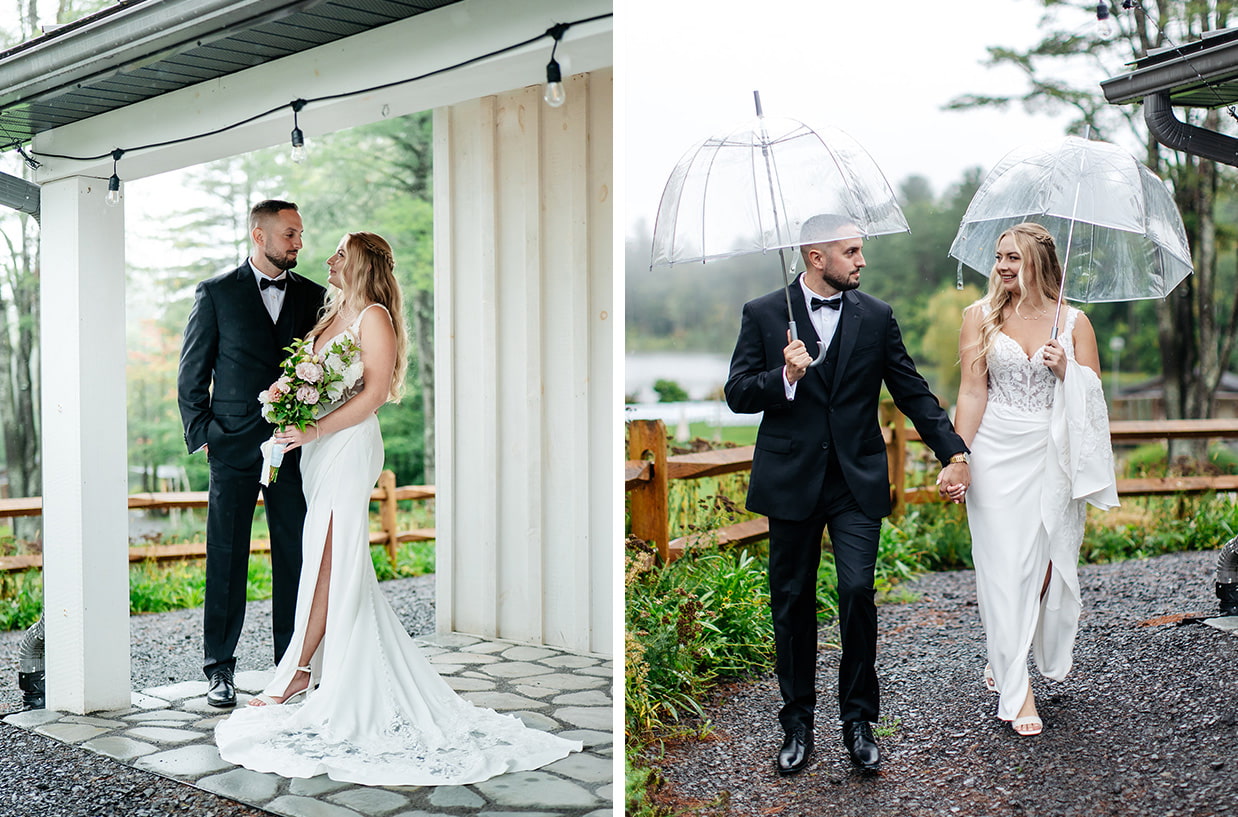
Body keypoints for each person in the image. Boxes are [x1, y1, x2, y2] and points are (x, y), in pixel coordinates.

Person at [214, 232, 581, 785]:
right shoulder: (329, 317)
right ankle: (321, 666)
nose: (328, 260)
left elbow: (376, 393)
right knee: (326, 555)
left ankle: (298, 670)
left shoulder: (374, 317)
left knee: (329, 557)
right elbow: (315, 382)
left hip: (347, 444)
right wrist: (284, 400)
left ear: (361, 261)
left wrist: (313, 426)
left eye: (339, 252)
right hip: (316, 449)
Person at [725, 214, 971, 775]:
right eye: (852, 251)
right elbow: (738, 393)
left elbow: (912, 390)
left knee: (858, 591)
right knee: (792, 601)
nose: (862, 261)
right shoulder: (765, 313)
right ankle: (797, 722)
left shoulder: (877, 316)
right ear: (817, 257)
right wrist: (783, 378)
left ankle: (859, 722)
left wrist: (953, 452)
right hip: (791, 482)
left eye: (860, 251)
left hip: (855, 480)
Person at [949, 222, 1118, 737]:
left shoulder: (1074, 323)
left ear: (1041, 263)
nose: (1002, 266)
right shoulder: (978, 316)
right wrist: (958, 456)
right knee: (1002, 566)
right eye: (1000, 257)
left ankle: (1007, 652)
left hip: (1051, 453)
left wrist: (1069, 370)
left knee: (1043, 568)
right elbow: (972, 393)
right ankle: (1017, 692)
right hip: (996, 451)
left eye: (1014, 258)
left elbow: (1094, 398)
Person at [178, 200, 327, 709]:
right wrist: (207, 436)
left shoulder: (315, 296)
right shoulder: (216, 293)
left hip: (292, 447)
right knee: (226, 556)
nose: (298, 243)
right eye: (290, 234)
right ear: (259, 235)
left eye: (300, 235)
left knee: (294, 555)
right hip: (233, 447)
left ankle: (290, 667)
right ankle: (219, 669)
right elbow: (192, 374)